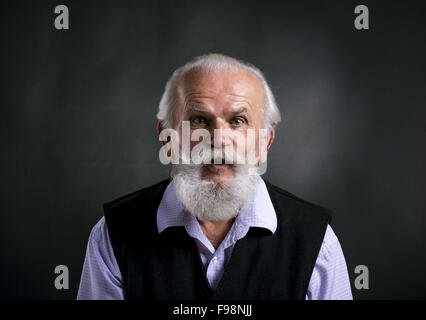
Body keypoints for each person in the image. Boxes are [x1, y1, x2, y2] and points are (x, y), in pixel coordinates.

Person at [77, 53, 353, 300]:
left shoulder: (316, 243)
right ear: (167, 138)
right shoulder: (113, 235)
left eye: (237, 121)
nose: (219, 140)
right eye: (199, 120)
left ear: (264, 143)